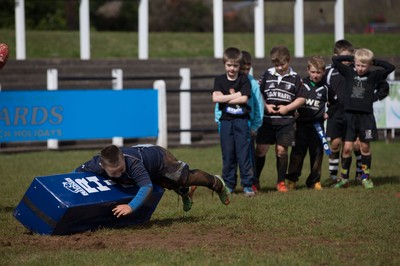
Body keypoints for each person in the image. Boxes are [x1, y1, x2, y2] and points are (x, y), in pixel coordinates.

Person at [75, 144, 231, 217]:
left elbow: (146, 186)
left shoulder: (132, 162)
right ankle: (186, 193)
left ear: (123, 158)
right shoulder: (95, 164)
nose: (118, 173)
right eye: (113, 172)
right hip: (148, 169)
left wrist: (131, 207)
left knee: (184, 178)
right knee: (165, 183)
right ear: (102, 165)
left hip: (160, 159)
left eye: (121, 169)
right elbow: (75, 175)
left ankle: (218, 184)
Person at [332, 48, 395, 189]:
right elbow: (335, 60)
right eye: (358, 65)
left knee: (365, 147)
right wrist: (353, 57)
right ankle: (344, 178)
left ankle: (365, 177)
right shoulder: (348, 72)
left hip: (366, 116)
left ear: (369, 65)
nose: (360, 68)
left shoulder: (374, 75)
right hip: (349, 115)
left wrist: (373, 61)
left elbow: (391, 67)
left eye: (364, 65)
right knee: (347, 148)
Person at [254, 45, 308, 192]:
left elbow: (302, 98)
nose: (279, 68)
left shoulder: (295, 78)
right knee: (260, 150)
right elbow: (257, 93)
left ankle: (280, 182)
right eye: (276, 65)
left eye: (282, 64)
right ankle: (255, 181)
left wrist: (288, 108)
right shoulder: (267, 74)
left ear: (289, 60)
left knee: (281, 150)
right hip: (267, 119)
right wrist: (266, 106)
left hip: (286, 121)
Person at [214, 50, 264, 194]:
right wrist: (219, 119)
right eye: (229, 65)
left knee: (244, 155)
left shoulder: (246, 80)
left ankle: (248, 185)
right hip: (226, 122)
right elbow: (216, 99)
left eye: (235, 66)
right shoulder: (219, 80)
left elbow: (247, 100)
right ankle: (229, 184)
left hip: (243, 122)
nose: (232, 68)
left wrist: (255, 125)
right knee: (228, 154)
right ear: (225, 64)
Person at [286, 56, 335, 190]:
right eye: (313, 72)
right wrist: (293, 112)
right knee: (297, 153)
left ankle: (314, 181)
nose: (315, 75)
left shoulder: (326, 87)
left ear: (323, 72)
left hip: (317, 126)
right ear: (308, 70)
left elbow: (335, 104)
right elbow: (290, 100)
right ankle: (292, 180)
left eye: (318, 72)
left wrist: (328, 113)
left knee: (317, 153)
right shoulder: (301, 84)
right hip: (301, 125)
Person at [325, 40, 364, 186]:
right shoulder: (328, 71)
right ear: (336, 56)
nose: (347, 61)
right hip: (335, 113)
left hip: (354, 113)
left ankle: (360, 174)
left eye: (350, 58)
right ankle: (333, 175)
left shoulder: (357, 70)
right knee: (335, 144)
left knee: (356, 145)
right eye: (344, 58)